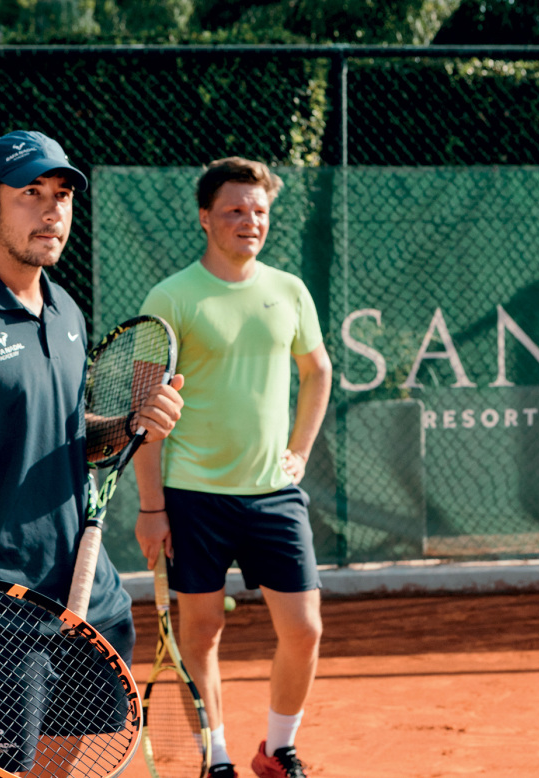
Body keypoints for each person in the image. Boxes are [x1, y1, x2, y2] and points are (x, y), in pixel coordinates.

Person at [0, 130, 184, 776]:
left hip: (89, 596)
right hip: (0, 606)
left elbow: (77, 438)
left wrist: (133, 424)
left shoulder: (67, 311)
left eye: (62, 196)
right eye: (31, 195)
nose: (53, 211)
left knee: (74, 761)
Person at [132, 157, 333, 778]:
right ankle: (215, 756)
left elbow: (318, 370)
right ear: (205, 218)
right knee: (201, 632)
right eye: (235, 211)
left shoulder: (290, 290)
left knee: (304, 629)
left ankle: (278, 749)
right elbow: (145, 407)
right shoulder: (171, 296)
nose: (250, 222)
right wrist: (151, 507)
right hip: (193, 497)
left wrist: (299, 450)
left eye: (259, 211)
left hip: (275, 494)